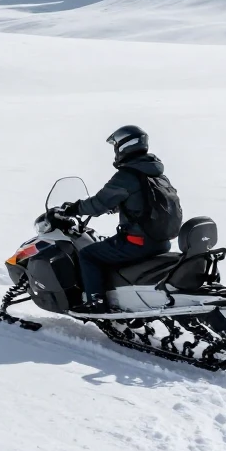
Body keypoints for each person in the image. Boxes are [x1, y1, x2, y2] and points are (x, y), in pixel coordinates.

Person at [59, 125, 180, 313]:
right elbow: (144, 202)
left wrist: (74, 208)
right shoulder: (156, 174)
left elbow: (98, 203)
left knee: (88, 254)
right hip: (160, 243)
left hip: (138, 243)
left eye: (116, 146)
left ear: (124, 146)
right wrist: (119, 206)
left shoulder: (127, 175)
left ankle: (96, 302)